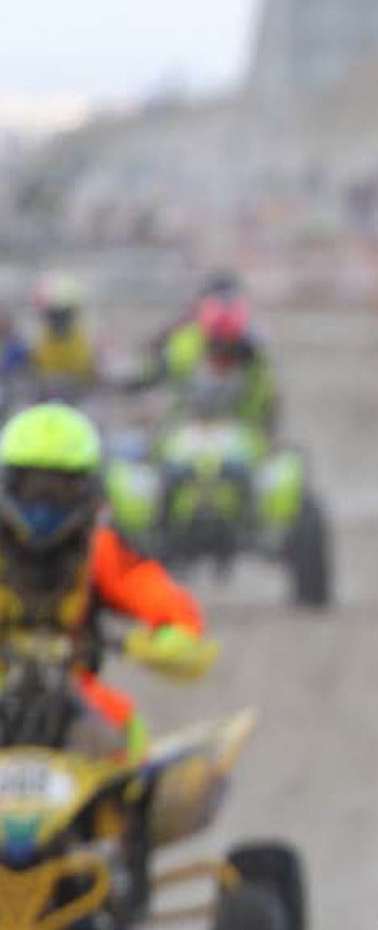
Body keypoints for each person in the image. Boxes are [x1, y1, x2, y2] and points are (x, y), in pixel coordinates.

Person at [0, 402, 212, 757]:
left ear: (87, 487)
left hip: (75, 695)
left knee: (131, 739)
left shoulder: (102, 549)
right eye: (32, 487)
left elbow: (161, 599)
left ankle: (125, 812)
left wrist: (170, 637)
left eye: (59, 489)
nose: (44, 504)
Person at [161, 291, 280, 432]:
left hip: (236, 433)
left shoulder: (255, 368)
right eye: (216, 344)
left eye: (230, 349)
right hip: (184, 428)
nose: (221, 353)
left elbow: (261, 411)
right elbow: (158, 381)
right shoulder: (182, 352)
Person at [27, 274, 101, 392]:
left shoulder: (86, 345)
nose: (56, 321)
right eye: (50, 315)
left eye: (60, 314)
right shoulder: (38, 345)